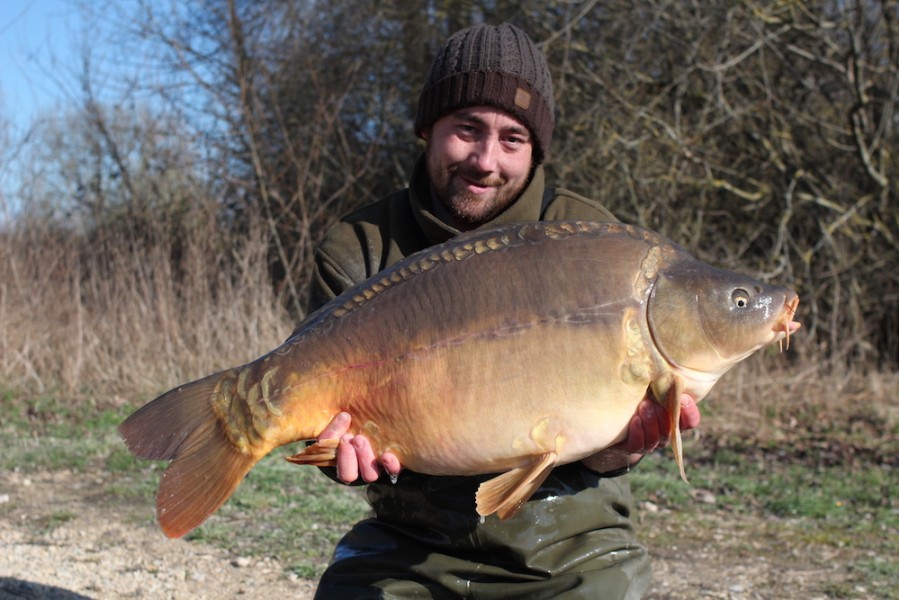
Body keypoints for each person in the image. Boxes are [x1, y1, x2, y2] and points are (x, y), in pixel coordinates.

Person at [305, 22, 701, 599]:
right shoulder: (360, 247)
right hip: (408, 543)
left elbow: (613, 441)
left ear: (535, 150)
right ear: (427, 129)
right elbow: (319, 420)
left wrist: (622, 448)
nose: (487, 160)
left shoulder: (598, 247)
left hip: (571, 545)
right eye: (467, 130)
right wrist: (334, 449)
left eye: (512, 139)